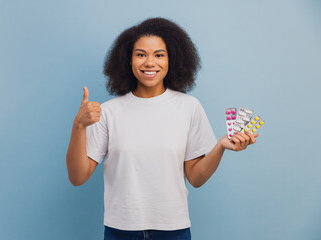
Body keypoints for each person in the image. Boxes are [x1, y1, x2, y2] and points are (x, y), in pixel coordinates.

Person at [66, 17, 258, 240]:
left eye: (159, 55)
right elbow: (77, 177)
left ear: (171, 60)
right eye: (140, 54)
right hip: (121, 230)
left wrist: (221, 147)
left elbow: (195, 178)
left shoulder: (189, 107)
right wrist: (78, 126)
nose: (149, 63)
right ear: (128, 60)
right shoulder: (109, 111)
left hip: (173, 229)